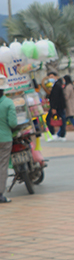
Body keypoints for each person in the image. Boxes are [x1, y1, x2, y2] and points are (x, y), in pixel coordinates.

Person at [0, 75, 17, 203]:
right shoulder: (8, 102)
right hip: (5, 139)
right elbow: (13, 123)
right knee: (2, 166)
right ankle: (0, 194)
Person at [46, 73, 67, 141]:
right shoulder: (54, 85)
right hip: (58, 106)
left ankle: (56, 134)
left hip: (57, 106)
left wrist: (54, 108)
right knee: (62, 119)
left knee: (50, 119)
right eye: (49, 77)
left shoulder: (57, 85)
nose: (50, 78)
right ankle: (60, 134)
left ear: (56, 77)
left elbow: (55, 98)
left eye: (52, 76)